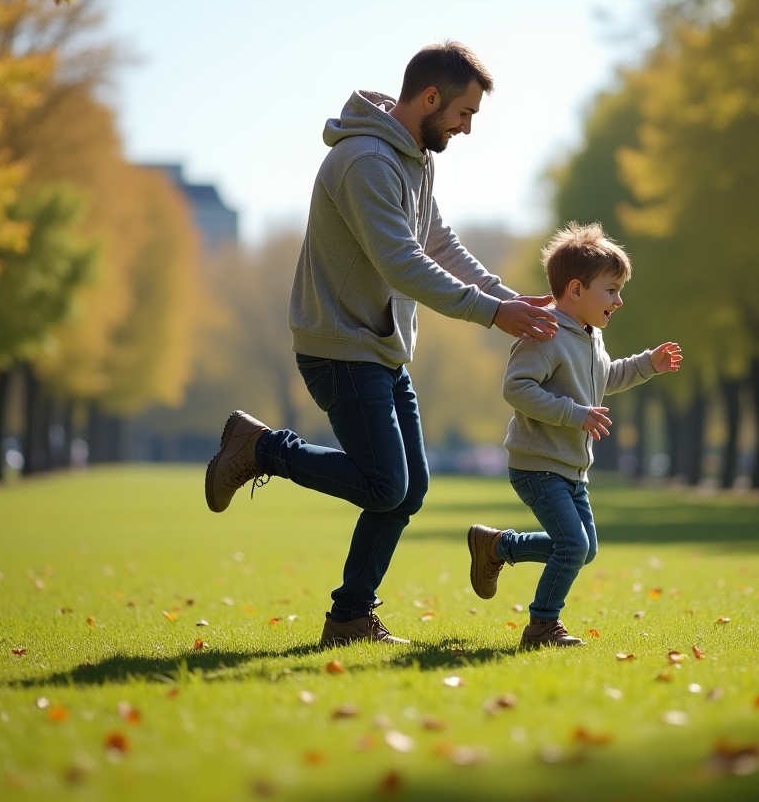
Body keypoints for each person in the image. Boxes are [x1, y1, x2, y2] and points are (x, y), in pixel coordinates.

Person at [204, 41, 559, 647]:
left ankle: (349, 617)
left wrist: (506, 296)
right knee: (385, 485)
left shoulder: (414, 157)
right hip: (339, 347)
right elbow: (403, 264)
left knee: (408, 489)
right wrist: (492, 314)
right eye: (463, 114)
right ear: (429, 98)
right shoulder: (366, 161)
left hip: (380, 349)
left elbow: (438, 242)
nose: (467, 128)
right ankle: (261, 449)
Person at [467, 221, 682, 649]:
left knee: (584, 549)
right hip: (537, 464)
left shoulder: (590, 337)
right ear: (576, 290)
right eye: (612, 290)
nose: (618, 301)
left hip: (571, 467)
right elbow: (517, 388)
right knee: (572, 546)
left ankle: (498, 547)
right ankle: (542, 627)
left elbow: (603, 378)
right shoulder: (544, 332)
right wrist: (574, 414)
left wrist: (647, 364)